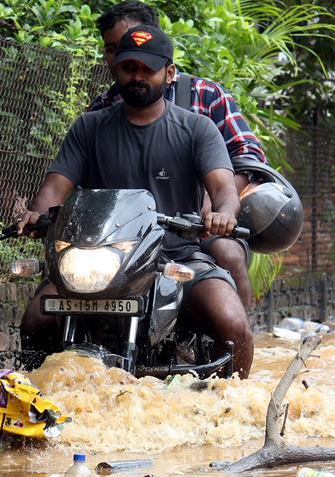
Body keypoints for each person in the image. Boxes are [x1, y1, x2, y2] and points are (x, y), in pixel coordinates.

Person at [17, 24, 253, 379]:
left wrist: (223, 214)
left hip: (176, 257)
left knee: (231, 321)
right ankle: (38, 399)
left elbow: (223, 187)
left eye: (148, 69)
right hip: (99, 260)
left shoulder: (197, 129)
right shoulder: (89, 128)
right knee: (35, 320)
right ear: (116, 69)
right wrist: (37, 214)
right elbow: (56, 186)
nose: (137, 76)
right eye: (129, 67)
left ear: (169, 73)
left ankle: (236, 409)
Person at [91, 0, 265, 309]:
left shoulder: (205, 96)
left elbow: (248, 155)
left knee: (228, 254)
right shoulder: (99, 112)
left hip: (196, 231)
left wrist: (215, 210)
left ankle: (234, 341)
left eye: (127, 43)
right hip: (121, 235)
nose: (120, 55)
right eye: (111, 49)